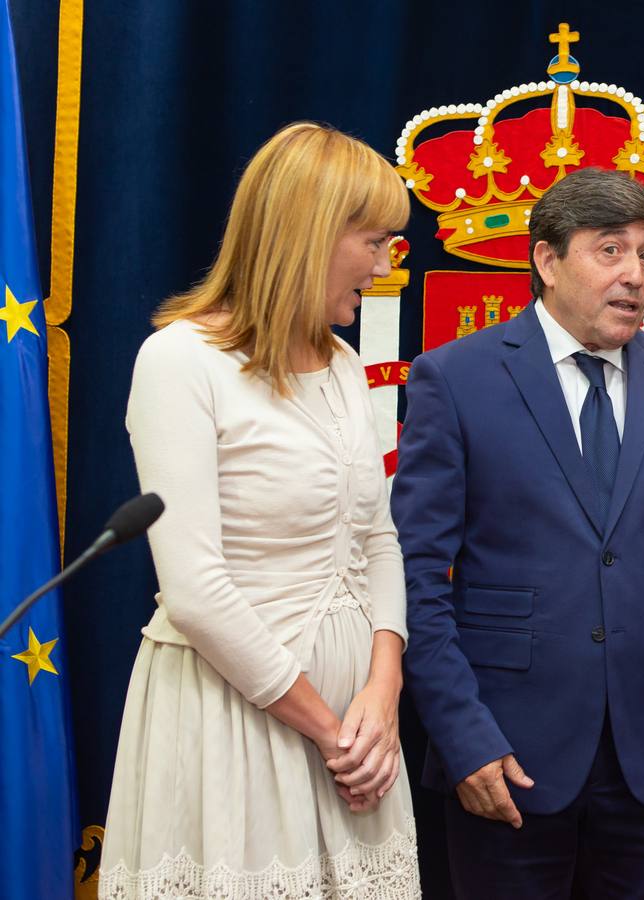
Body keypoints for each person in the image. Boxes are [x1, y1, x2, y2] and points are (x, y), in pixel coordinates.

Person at [392, 167, 644, 898]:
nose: (636, 275)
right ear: (547, 261)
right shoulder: (454, 379)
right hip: (506, 759)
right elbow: (413, 580)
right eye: (611, 250)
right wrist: (463, 738)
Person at [99, 122, 420, 897]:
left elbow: (376, 538)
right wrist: (332, 731)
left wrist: (383, 692)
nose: (384, 267)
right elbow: (197, 592)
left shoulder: (343, 363)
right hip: (239, 729)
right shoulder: (179, 362)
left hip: (358, 741)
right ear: (311, 233)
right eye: (374, 242)